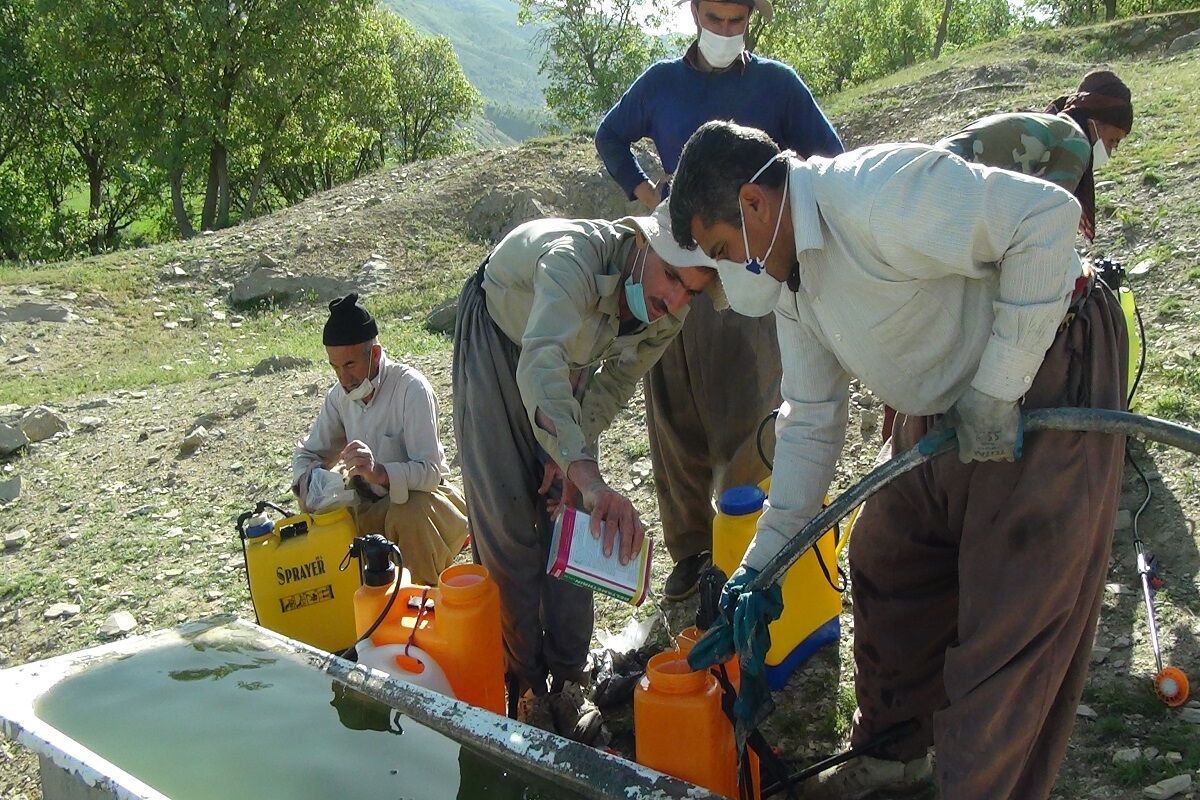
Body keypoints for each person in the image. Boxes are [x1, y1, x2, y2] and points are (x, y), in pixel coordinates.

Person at [671, 121, 1126, 800]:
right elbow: (811, 423)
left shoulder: (876, 195)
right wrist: (759, 571)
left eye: (720, 247)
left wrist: (999, 388)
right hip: (945, 402)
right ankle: (896, 750)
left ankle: (978, 785)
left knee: (1007, 623)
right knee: (886, 553)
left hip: (1042, 365)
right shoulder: (794, 285)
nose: (727, 272)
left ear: (755, 203)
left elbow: (1047, 218)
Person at [595, 0, 844, 600]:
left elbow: (830, 156)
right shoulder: (662, 84)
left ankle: (745, 544)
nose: (726, 31)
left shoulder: (777, 85)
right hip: (674, 272)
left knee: (752, 409)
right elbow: (610, 135)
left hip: (749, 277)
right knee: (673, 415)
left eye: (738, 21)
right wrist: (644, 189)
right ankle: (690, 551)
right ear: (693, 12)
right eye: (716, 17)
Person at [451, 203, 720, 741]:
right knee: (507, 523)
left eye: (690, 291)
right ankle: (525, 682)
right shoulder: (572, 258)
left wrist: (572, 461)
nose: (673, 302)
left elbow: (616, 382)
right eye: (670, 279)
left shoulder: (673, 308)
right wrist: (585, 470)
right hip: (501, 340)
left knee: (571, 520)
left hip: (570, 369)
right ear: (642, 246)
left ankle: (570, 676)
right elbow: (539, 359)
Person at [292, 293, 468, 586]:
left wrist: (380, 472)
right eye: (335, 367)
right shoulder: (339, 398)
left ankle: (422, 602)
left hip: (426, 504)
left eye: (349, 365)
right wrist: (309, 480)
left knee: (407, 514)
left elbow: (429, 472)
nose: (343, 378)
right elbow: (310, 452)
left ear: (374, 355)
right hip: (371, 505)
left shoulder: (410, 389)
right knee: (331, 521)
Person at [938, 69, 1133, 242]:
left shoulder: (1053, 126)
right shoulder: (1075, 141)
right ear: (1095, 124)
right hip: (948, 183)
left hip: (929, 170)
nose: (1112, 150)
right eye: (1113, 140)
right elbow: (1043, 223)